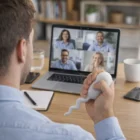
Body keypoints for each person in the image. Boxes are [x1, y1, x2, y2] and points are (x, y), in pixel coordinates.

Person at [0, 0, 126, 140]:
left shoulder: (75, 61)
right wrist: (104, 115)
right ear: (22, 49)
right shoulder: (73, 137)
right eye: (32, 42)